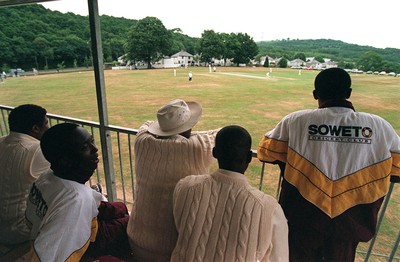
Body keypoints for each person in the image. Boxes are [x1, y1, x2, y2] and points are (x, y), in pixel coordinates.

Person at [257, 67, 400, 261]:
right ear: (349, 93)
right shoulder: (380, 126)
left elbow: (266, 153)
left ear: (315, 94)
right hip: (350, 225)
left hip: (303, 220)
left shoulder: (296, 120)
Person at [172, 125, 289, 262]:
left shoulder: (185, 187)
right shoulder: (270, 209)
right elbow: (279, 258)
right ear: (249, 158)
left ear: (214, 153)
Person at [126, 99, 220, 261]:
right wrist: (190, 133)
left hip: (136, 237)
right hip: (172, 248)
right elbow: (224, 133)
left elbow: (147, 124)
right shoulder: (195, 147)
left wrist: (167, 127)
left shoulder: (142, 140)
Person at [25, 123, 131, 261]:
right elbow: (48, 254)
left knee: (120, 207)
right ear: (65, 161)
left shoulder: (46, 177)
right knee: (131, 223)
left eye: (91, 141)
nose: (95, 149)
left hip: (77, 222)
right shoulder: (76, 200)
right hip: (89, 239)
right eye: (84, 147)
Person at [0, 104, 50, 245]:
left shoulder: (2, 142)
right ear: (35, 128)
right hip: (21, 231)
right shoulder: (38, 150)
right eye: (46, 123)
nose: (48, 127)